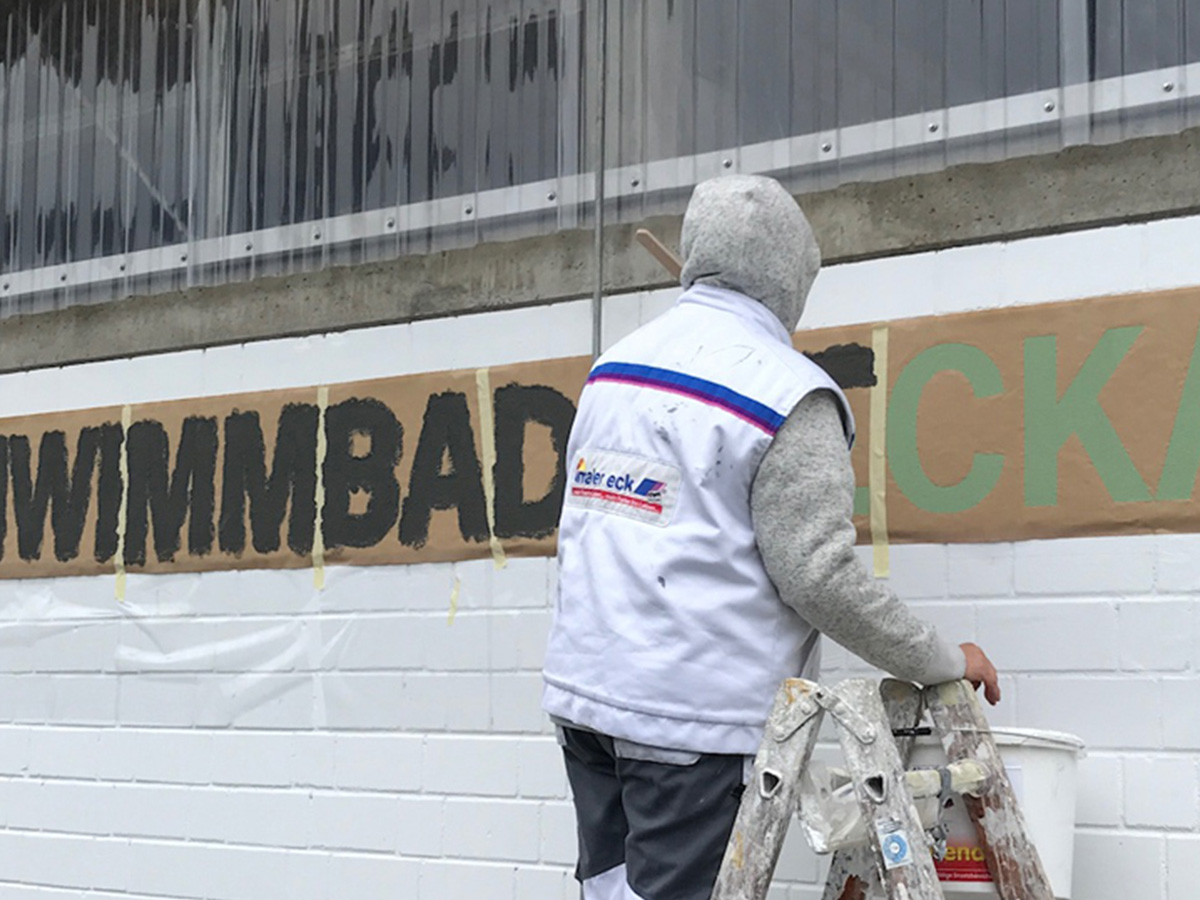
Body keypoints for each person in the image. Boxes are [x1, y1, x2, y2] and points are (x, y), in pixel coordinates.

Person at [541, 174, 1000, 900]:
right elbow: (819, 576)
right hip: (689, 724)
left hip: (586, 701)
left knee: (611, 892)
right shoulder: (786, 393)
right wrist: (941, 659)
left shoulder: (613, 370)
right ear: (792, 278)